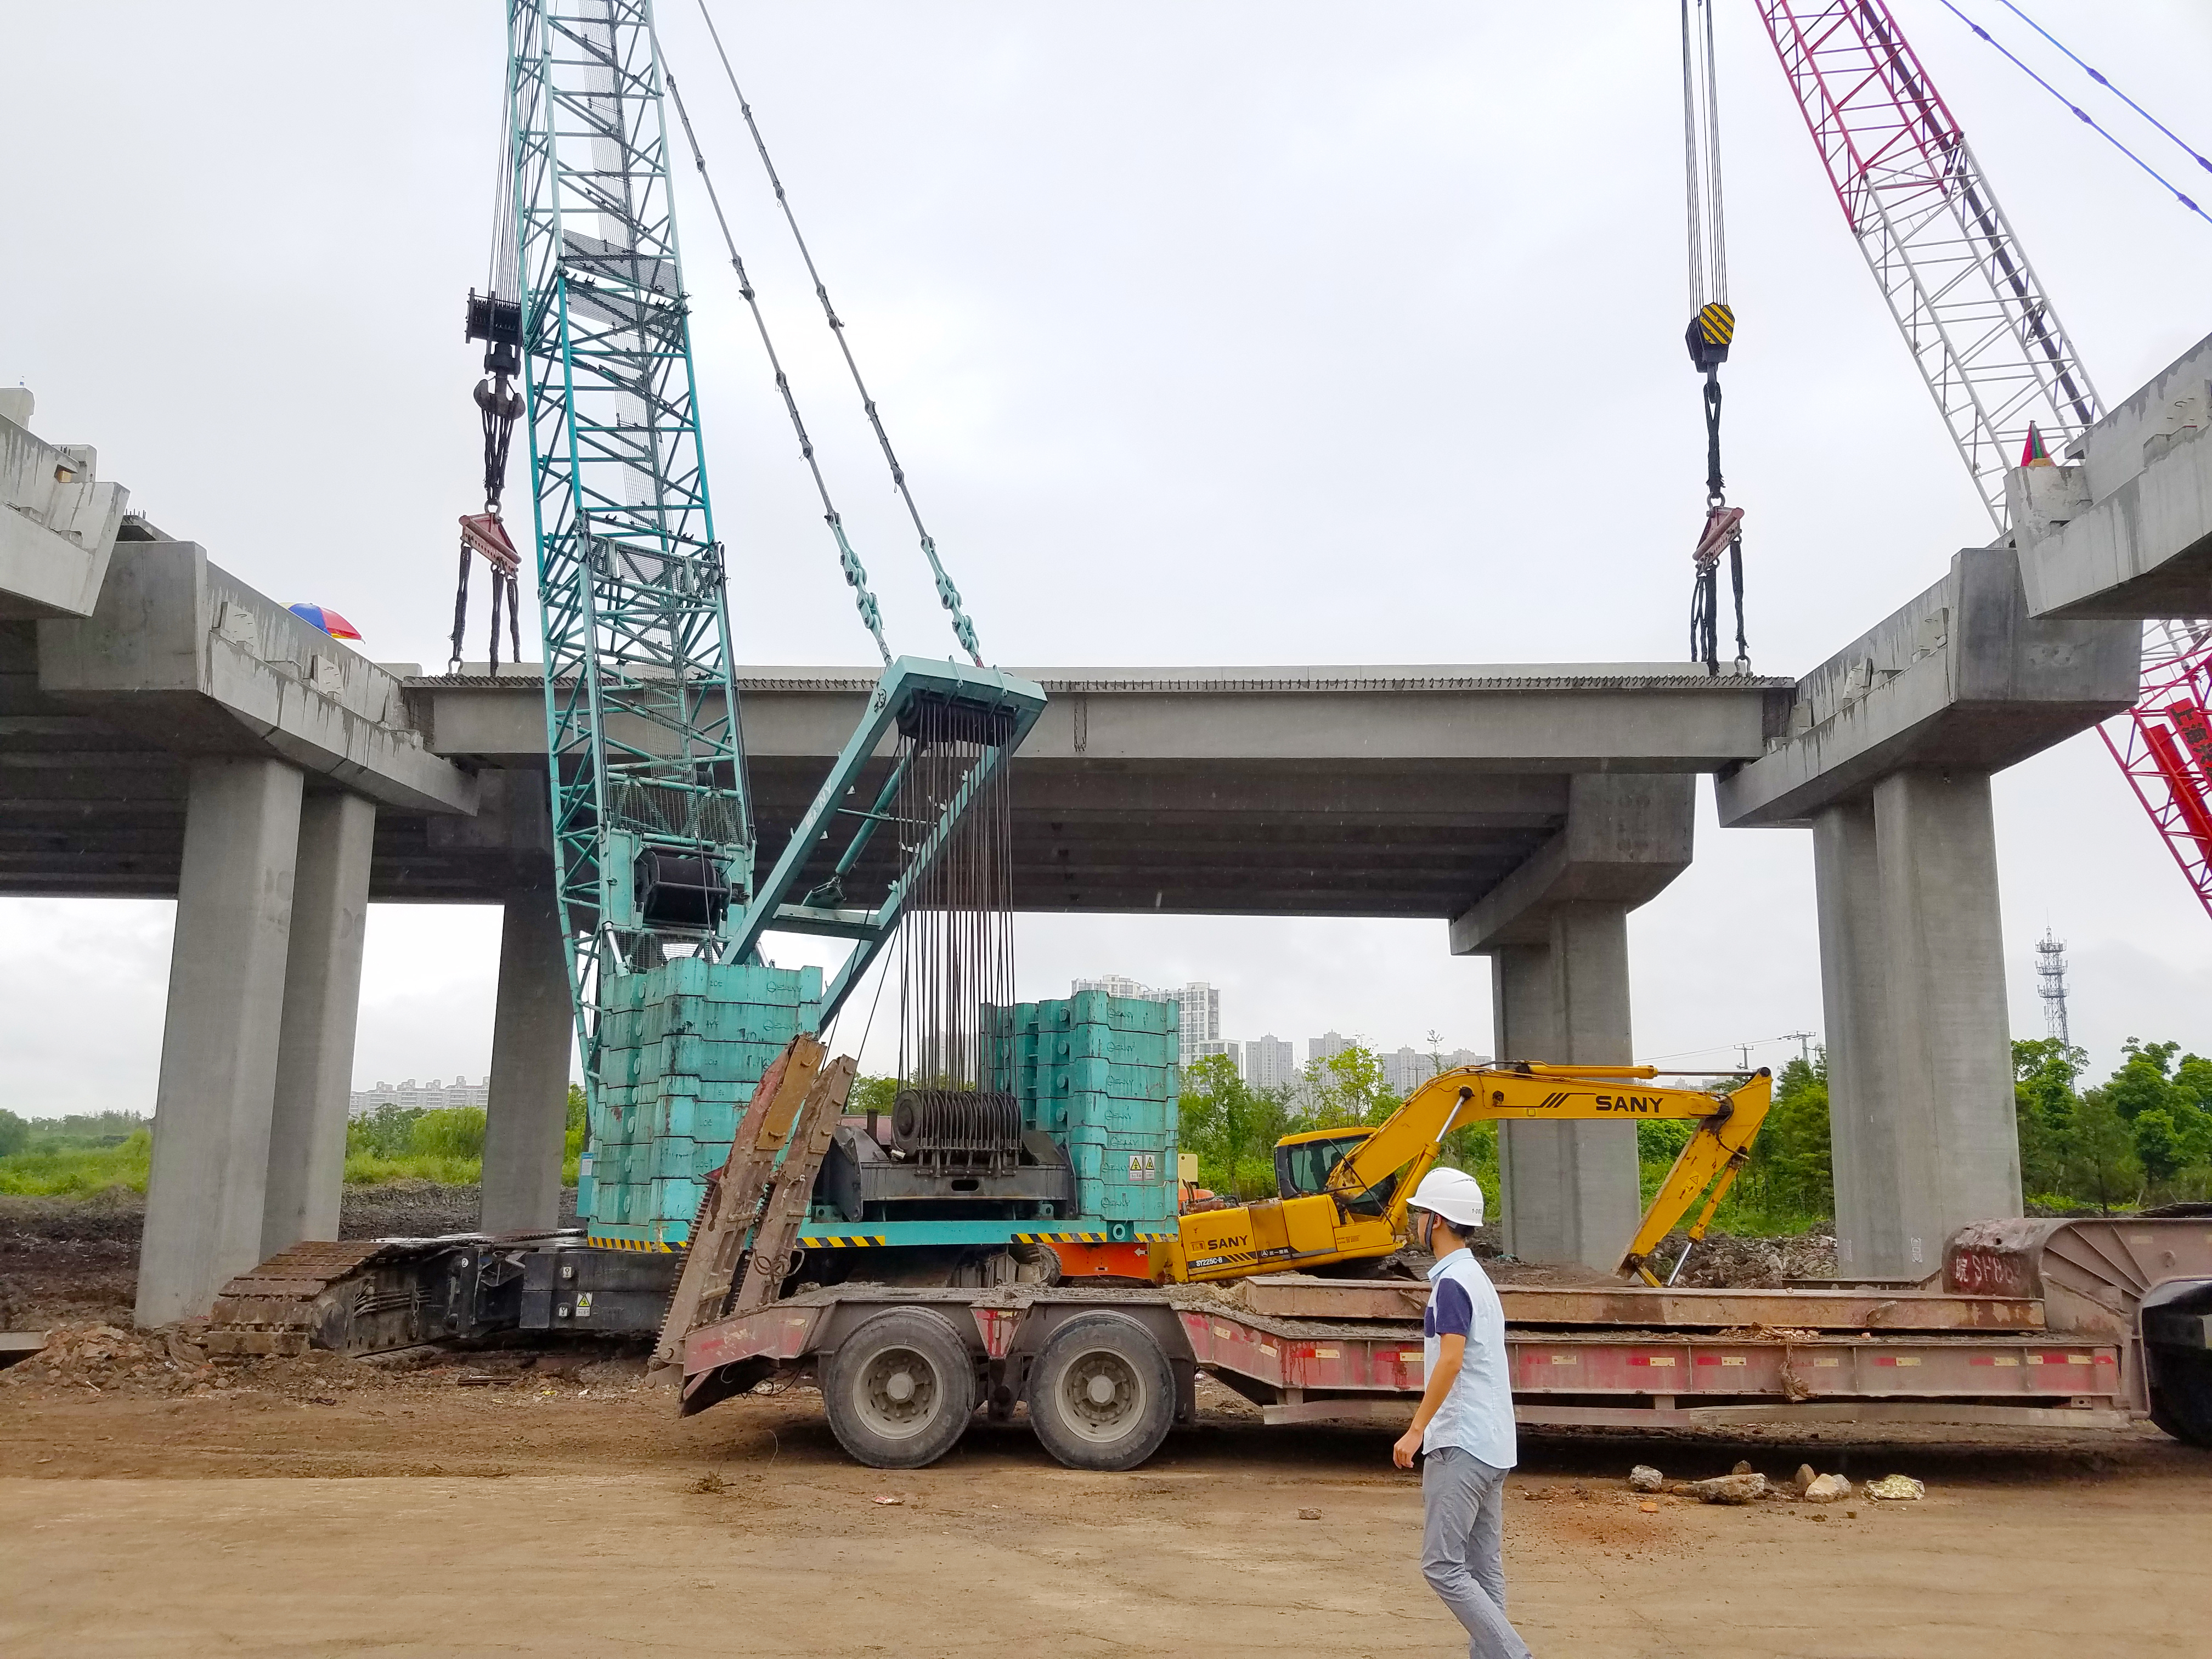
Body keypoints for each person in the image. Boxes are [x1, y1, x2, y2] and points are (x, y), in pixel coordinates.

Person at [1392, 1166, 1531, 1659]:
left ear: (1437, 1220)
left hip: (1462, 1443)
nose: (1414, 1223)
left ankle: (1515, 1655)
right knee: (1483, 1567)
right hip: (1494, 1444)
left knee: (1442, 1566)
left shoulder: (1452, 1283)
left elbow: (1451, 1358)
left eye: (1419, 1214)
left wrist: (1415, 1430)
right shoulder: (1478, 1280)